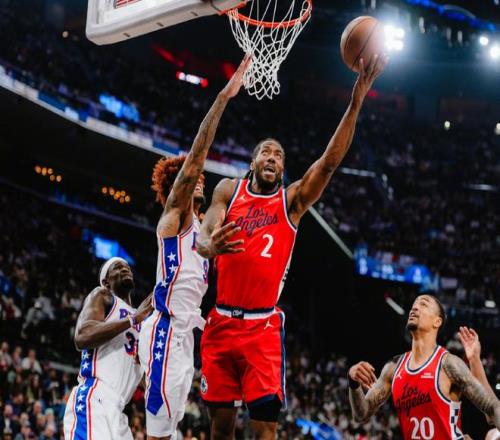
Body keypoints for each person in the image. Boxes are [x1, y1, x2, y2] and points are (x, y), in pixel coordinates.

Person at [196, 54, 388, 438]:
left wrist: (356, 100)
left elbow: (329, 162)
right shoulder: (229, 190)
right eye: (266, 152)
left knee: (265, 429)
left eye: (279, 155)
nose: (273, 157)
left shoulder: (291, 201)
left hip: (262, 327)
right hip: (220, 321)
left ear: (282, 168)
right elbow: (205, 235)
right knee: (220, 427)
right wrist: (208, 246)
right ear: (253, 161)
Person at [137, 55, 252, 440]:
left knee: (169, 429)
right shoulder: (175, 217)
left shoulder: (203, 227)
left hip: (185, 335)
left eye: (200, 176)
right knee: (158, 432)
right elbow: (196, 157)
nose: (199, 176)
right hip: (167, 332)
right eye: (191, 176)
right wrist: (223, 98)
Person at [348, 295, 500, 438]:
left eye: (423, 304)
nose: (414, 308)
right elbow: (361, 415)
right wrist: (353, 383)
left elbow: (492, 407)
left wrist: (474, 360)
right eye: (413, 305)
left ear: (437, 322)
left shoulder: (448, 364)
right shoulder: (393, 368)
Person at [63, 257, 152, 440]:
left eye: (127, 267)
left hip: (119, 410)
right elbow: (82, 336)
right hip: (95, 397)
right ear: (106, 281)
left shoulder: (141, 321)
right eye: (117, 267)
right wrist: (132, 319)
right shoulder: (102, 295)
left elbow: (142, 376)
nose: (125, 269)